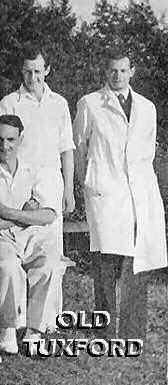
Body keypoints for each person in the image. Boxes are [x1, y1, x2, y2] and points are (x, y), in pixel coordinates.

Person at [73, 50, 167, 338]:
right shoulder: (90, 103)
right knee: (105, 263)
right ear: (106, 71)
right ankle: (104, 330)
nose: (117, 76)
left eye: (123, 71)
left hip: (139, 193)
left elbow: (147, 150)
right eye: (112, 71)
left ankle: (132, 331)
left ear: (131, 72)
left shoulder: (147, 107)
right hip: (105, 191)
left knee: (137, 263)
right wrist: (87, 183)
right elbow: (79, 148)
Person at [0, 115, 65, 355]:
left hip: (32, 234)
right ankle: (8, 328)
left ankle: (34, 330)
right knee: (8, 265)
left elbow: (47, 216)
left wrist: (3, 210)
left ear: (20, 140)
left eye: (11, 140)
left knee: (48, 263)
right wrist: (22, 214)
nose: (4, 146)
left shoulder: (33, 170)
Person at [0, 48, 75, 258]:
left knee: (52, 246)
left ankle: (52, 291)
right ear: (21, 71)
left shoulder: (59, 103)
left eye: (38, 71)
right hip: (19, 179)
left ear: (47, 70)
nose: (33, 77)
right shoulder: (9, 103)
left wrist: (68, 189)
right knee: (19, 238)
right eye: (28, 72)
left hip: (51, 180)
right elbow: (2, 147)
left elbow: (67, 150)